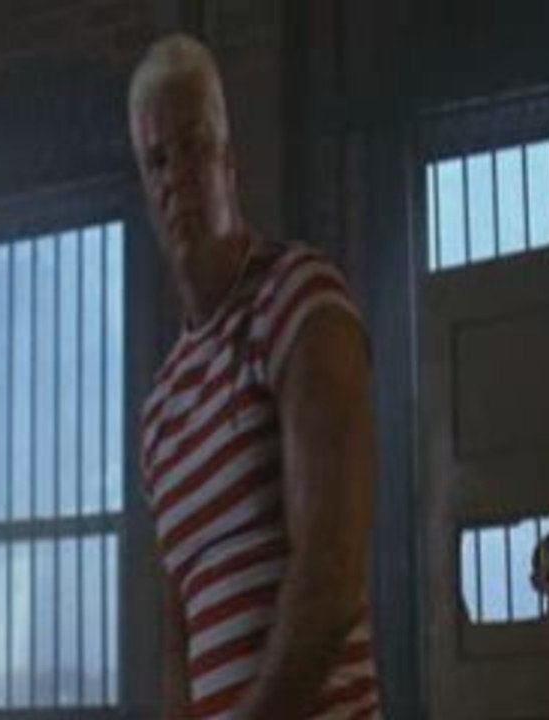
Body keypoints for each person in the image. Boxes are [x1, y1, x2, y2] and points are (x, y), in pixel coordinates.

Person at [130, 34, 381, 719]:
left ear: (228, 158)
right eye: (157, 160)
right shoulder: (161, 408)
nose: (176, 177)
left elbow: (330, 572)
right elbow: (178, 642)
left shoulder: (301, 301)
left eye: (193, 147)